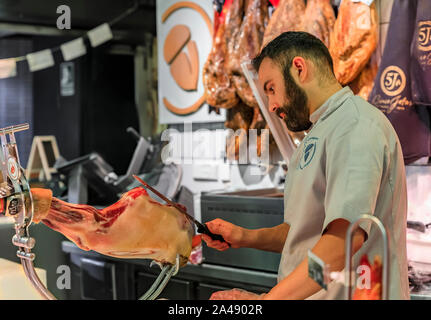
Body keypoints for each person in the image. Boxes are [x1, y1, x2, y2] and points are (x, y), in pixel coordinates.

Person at [202, 31, 409, 300]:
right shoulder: (319, 132)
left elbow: (342, 244)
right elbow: (302, 232)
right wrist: (244, 236)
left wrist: (268, 300)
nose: (273, 105)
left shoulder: (355, 125)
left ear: (299, 68)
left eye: (271, 88)